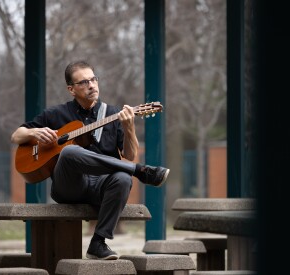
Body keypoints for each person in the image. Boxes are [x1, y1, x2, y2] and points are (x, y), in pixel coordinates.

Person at [10, 60, 170, 260]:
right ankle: (140, 171)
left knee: (123, 179)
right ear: (71, 89)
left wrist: (129, 128)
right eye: (84, 82)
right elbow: (16, 135)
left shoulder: (113, 114)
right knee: (69, 153)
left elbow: (129, 156)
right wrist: (35, 131)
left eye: (93, 79)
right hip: (68, 186)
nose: (92, 85)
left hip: (102, 187)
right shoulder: (56, 114)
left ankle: (98, 243)